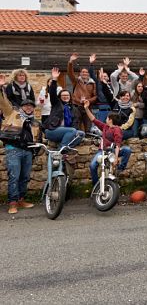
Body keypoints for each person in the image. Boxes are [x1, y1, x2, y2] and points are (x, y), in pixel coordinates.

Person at [0, 73, 42, 214]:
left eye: (31, 106)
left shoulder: (35, 122)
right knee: (14, 176)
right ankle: (12, 203)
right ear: (22, 107)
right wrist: (1, 87)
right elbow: (3, 102)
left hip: (28, 151)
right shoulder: (12, 113)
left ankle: (21, 199)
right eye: (26, 105)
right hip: (13, 149)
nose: (29, 107)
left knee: (25, 177)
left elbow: (37, 138)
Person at [83, 100, 131, 184]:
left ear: (110, 120)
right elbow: (93, 119)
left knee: (127, 150)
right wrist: (86, 108)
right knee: (92, 166)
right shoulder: (105, 126)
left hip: (112, 150)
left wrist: (116, 158)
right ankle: (96, 185)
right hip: (102, 151)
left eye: (107, 118)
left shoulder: (117, 129)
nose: (106, 119)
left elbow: (118, 145)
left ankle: (120, 168)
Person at [43, 68, 84, 149]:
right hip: (53, 130)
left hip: (68, 132)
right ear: (60, 97)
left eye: (67, 95)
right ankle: (61, 149)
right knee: (72, 130)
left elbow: (75, 123)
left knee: (81, 134)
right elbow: (52, 93)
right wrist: (54, 79)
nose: (65, 97)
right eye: (63, 96)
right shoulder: (56, 104)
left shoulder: (73, 109)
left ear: (70, 97)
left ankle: (64, 148)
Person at [100, 69, 137, 140]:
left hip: (125, 130)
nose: (125, 97)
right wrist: (103, 83)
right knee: (108, 133)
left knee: (116, 133)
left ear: (130, 97)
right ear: (120, 97)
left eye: (127, 96)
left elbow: (129, 123)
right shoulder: (115, 103)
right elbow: (108, 93)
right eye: (123, 96)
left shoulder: (132, 109)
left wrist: (117, 128)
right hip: (112, 129)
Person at [67, 53, 97, 131]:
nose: (84, 73)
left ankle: (88, 140)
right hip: (76, 106)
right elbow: (70, 73)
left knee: (88, 126)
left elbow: (95, 96)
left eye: (86, 72)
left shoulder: (93, 83)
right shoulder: (76, 81)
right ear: (80, 73)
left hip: (87, 107)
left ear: (88, 74)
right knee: (76, 125)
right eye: (83, 72)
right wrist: (70, 62)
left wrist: (88, 101)